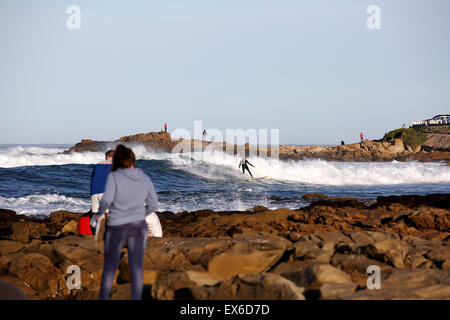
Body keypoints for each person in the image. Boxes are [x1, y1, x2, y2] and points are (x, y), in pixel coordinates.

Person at [98, 145, 159, 300]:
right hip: (137, 226)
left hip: (117, 225)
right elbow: (153, 206)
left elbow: (106, 200)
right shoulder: (144, 178)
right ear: (133, 161)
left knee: (110, 267)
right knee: (136, 267)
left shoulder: (114, 177)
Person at [89, 150, 114, 232]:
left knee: (97, 213)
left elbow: (92, 177)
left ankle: (99, 231)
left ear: (107, 156)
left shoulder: (97, 164)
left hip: (94, 192)